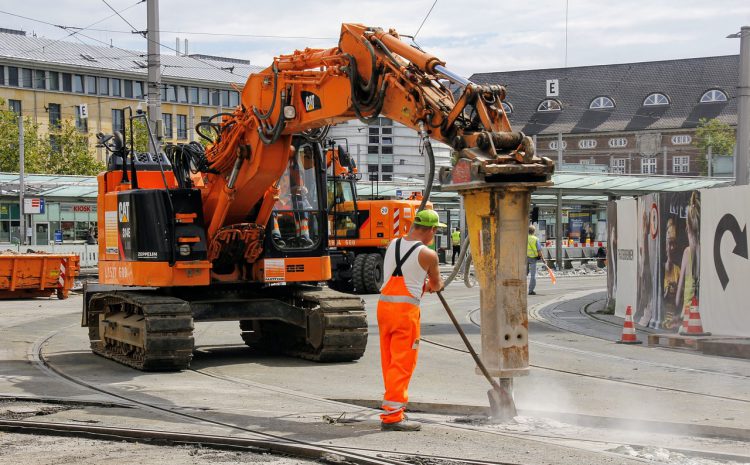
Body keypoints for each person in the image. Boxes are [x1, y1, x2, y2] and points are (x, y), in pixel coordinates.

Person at [378, 209, 445, 432]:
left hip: (384, 309)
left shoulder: (392, 244)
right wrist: (432, 284)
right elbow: (436, 285)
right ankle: (393, 416)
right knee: (403, 362)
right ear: (432, 230)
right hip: (405, 313)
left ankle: (391, 406)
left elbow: (404, 273)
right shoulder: (428, 254)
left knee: (389, 360)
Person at [527, 225, 543, 295]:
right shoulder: (536, 239)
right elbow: (539, 250)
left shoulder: (524, 238)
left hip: (525, 258)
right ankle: (531, 290)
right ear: (534, 231)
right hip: (533, 258)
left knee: (523, 274)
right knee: (533, 275)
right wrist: (542, 258)